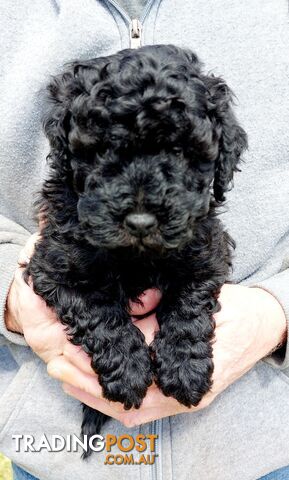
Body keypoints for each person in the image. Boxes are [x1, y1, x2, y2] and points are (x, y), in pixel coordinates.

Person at [0, 1, 289, 479]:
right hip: (61, 453)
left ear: (220, 163)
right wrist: (14, 295)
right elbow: (54, 273)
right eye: (106, 156)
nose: (139, 210)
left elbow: (203, 272)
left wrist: (272, 313)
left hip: (260, 452)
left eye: (175, 157)